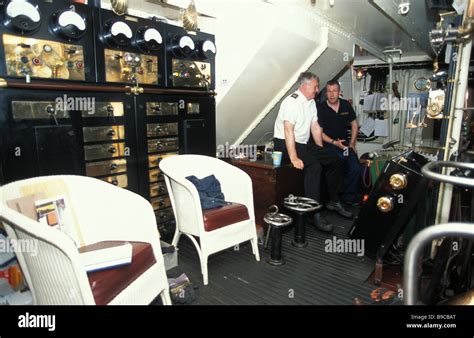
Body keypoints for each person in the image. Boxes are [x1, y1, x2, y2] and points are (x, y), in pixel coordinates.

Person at [273, 72, 353, 233]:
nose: (318, 90)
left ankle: (333, 200)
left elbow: (315, 127)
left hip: (303, 143)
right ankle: (313, 213)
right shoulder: (291, 102)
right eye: (315, 86)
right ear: (304, 85)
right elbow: (288, 131)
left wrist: (320, 150)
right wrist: (294, 157)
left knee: (333, 159)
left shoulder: (311, 102)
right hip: (285, 143)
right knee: (315, 166)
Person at [317, 80, 362, 206]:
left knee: (355, 167)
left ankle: (349, 197)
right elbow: (319, 132)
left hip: (345, 145)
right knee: (338, 166)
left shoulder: (345, 105)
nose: (331, 94)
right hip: (329, 145)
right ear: (326, 93)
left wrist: (352, 143)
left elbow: (354, 124)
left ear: (339, 92)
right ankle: (334, 199)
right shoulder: (320, 108)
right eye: (329, 91)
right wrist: (334, 142)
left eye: (334, 91)